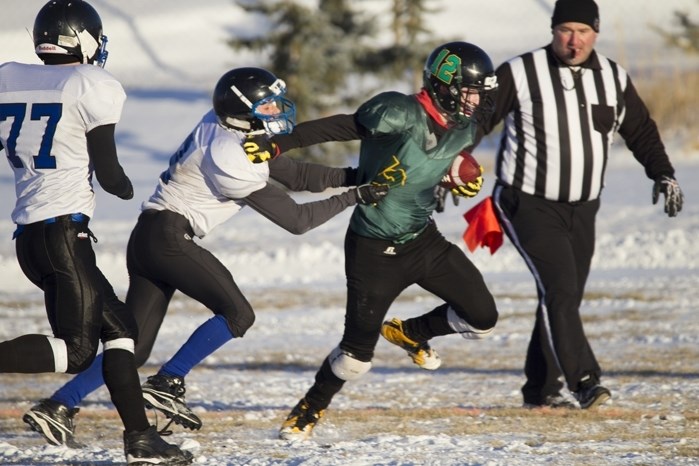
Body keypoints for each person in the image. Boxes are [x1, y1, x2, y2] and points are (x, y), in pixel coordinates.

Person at [21, 66, 388, 444]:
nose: (278, 111)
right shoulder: (230, 155)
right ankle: (169, 379)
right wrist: (354, 197)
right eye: (268, 105)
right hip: (168, 238)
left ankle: (58, 405)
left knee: (132, 347)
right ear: (243, 113)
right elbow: (298, 219)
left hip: (148, 236)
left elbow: (296, 176)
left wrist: (355, 175)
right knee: (238, 314)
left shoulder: (228, 128)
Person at [265, 41, 500, 441]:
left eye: (480, 92)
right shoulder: (400, 111)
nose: (476, 100)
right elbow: (342, 126)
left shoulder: (463, 125)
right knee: (355, 359)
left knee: (482, 318)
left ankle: (413, 331)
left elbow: (435, 160)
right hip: (373, 249)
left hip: (422, 240)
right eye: (470, 90)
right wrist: (280, 143)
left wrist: (452, 175)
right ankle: (311, 406)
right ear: (445, 85)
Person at [0, 1, 193, 464]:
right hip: (61, 236)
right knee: (79, 351)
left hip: (37, 235)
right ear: (82, 38)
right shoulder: (91, 83)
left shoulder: (9, 76)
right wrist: (126, 187)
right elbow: (110, 174)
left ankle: (140, 439)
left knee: (122, 329)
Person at [469, 0, 684, 410]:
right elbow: (478, 121)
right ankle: (585, 382)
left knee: (561, 296)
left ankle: (541, 390)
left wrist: (663, 173)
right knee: (561, 292)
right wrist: (452, 163)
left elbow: (640, 130)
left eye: (583, 31)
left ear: (596, 33)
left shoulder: (613, 78)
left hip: (584, 208)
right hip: (526, 201)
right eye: (565, 30)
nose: (574, 40)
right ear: (553, 31)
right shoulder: (519, 71)